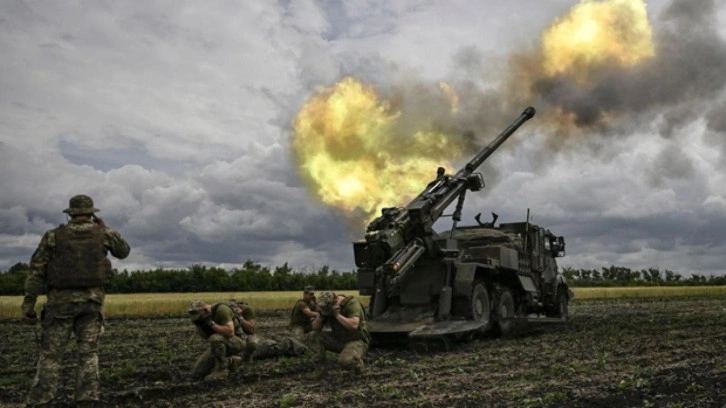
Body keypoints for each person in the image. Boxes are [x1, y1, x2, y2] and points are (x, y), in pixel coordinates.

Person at [20, 194, 130, 408]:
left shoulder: (53, 236)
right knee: (89, 353)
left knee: (51, 355)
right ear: (91, 214)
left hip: (59, 304)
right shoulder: (105, 233)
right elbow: (123, 252)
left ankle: (42, 400)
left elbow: (36, 271)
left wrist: (28, 306)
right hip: (92, 304)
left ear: (70, 213)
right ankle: (87, 399)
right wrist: (105, 227)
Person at [306, 291, 370, 378]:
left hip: (356, 340)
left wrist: (337, 315)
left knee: (345, 362)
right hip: (338, 339)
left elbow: (353, 325)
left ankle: (358, 364)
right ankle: (320, 369)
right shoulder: (325, 309)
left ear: (336, 301)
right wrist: (321, 317)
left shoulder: (351, 304)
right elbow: (315, 328)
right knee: (313, 336)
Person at [188, 299, 252, 380]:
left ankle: (222, 369)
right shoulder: (204, 317)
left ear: (206, 310)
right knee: (196, 374)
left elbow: (230, 332)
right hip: (220, 343)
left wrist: (211, 324)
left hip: (238, 341)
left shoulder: (221, 310)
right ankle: (232, 361)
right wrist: (199, 325)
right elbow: (205, 336)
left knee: (215, 338)